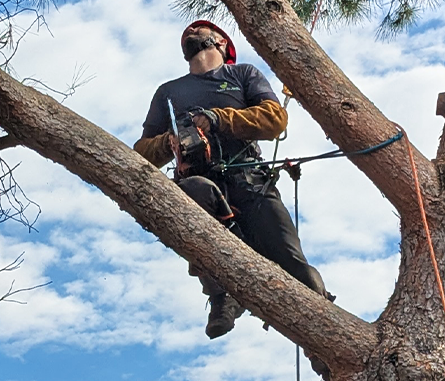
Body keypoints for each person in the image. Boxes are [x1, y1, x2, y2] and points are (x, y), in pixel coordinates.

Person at [134, 20, 327, 339]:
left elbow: (275, 119)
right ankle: (223, 294)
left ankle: (323, 327)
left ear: (222, 43)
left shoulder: (242, 75)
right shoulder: (169, 93)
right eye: (189, 32)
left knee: (291, 261)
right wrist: (170, 141)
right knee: (193, 197)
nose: (193, 32)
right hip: (198, 182)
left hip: (248, 179)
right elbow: (141, 152)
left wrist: (218, 119)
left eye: (202, 30)